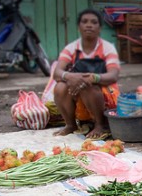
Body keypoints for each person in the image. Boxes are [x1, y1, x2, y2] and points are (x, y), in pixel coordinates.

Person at [52, 9, 121, 139]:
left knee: (87, 85)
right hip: (78, 91)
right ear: (79, 26)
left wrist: (93, 78)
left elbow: (113, 75)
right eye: (85, 22)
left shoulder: (107, 48)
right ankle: (71, 125)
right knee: (60, 87)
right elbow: (57, 72)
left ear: (99, 28)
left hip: (104, 92)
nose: (89, 25)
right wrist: (70, 76)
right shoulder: (71, 48)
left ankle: (100, 124)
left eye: (94, 22)